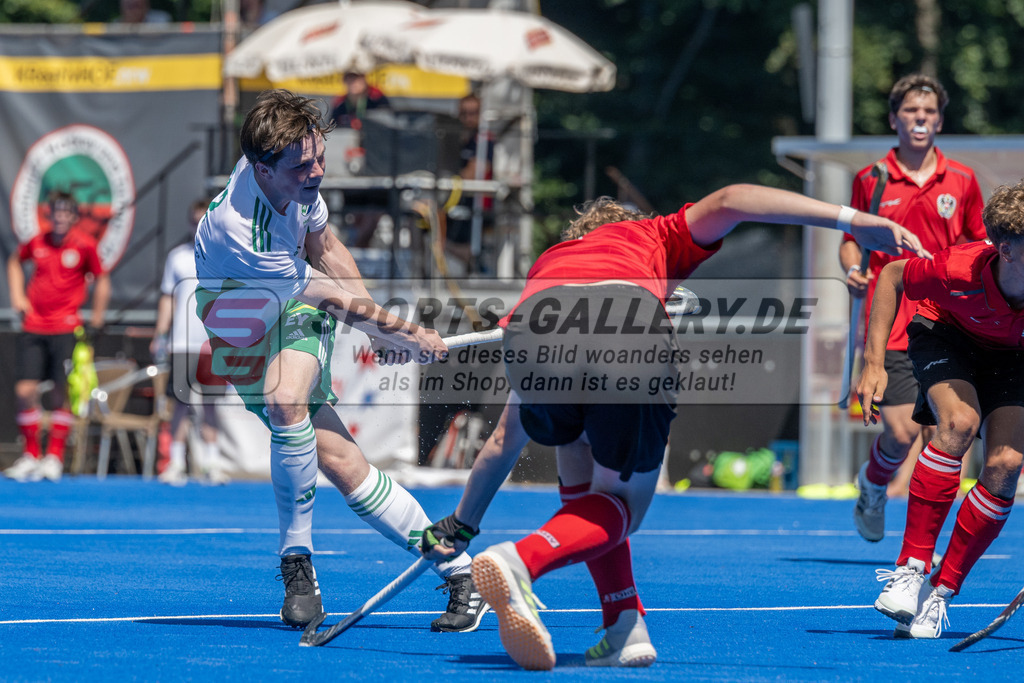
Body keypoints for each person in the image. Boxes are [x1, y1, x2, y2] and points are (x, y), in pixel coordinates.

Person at [419, 187, 931, 670]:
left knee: (584, 484)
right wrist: (854, 220)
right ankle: (521, 561)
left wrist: (462, 523)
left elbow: (504, 442)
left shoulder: (551, 261)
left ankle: (624, 626)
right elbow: (734, 199)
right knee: (623, 508)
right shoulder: (655, 234)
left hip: (532, 330)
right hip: (624, 328)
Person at [192, 89, 487, 632]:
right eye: (303, 165)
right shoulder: (241, 230)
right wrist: (401, 330)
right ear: (260, 169)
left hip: (290, 309)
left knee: (287, 402)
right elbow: (325, 295)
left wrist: (379, 321)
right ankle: (463, 575)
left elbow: (325, 249)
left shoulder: (294, 175)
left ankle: (296, 565)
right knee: (347, 467)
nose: (317, 171)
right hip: (236, 324)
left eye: (320, 156)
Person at [860, 180, 1024, 639]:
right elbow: (892, 275)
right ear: (1006, 250)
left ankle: (941, 592)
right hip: (948, 336)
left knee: (1007, 464)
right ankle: (910, 568)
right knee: (958, 423)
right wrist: (873, 364)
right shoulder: (956, 269)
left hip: (1014, 355)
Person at [842, 74, 986, 544]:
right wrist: (852, 270)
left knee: (942, 435)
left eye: (928, 112)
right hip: (893, 323)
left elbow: (979, 248)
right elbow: (851, 241)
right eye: (910, 111)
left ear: (939, 121)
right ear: (894, 119)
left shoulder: (963, 180)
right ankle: (873, 483)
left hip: (946, 322)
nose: (919, 119)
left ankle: (919, 551)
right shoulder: (871, 179)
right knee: (902, 435)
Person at [4, 191, 110, 483]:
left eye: (67, 212)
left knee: (59, 393)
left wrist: (97, 318)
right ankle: (30, 455)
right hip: (33, 326)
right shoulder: (37, 241)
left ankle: (54, 457)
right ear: (49, 215)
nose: (61, 217)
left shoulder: (85, 245)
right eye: (56, 212)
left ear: (74, 217)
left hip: (66, 328)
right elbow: (14, 262)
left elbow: (101, 278)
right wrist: (18, 297)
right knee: (25, 391)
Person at [150, 199, 229, 486]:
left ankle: (212, 463)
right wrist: (161, 333)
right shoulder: (177, 257)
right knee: (180, 403)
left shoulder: (225, 256)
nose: (199, 226)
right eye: (195, 220)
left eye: (203, 220)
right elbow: (167, 298)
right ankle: (175, 463)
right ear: (189, 222)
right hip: (181, 343)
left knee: (210, 405)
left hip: (212, 343)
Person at [445, 93, 495, 269]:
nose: (468, 118)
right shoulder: (460, 140)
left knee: (447, 240)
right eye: (464, 113)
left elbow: (472, 173)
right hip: (458, 200)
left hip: (476, 205)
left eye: (473, 113)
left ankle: (470, 263)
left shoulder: (484, 141)